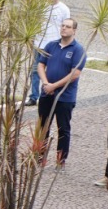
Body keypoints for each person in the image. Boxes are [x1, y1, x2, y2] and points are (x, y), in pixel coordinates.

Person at [36, 17, 85, 166]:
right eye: (63, 25)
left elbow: (75, 74)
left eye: (68, 26)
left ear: (74, 30)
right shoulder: (51, 45)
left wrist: (54, 86)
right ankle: (39, 156)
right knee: (43, 126)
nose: (64, 28)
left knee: (63, 129)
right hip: (47, 94)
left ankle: (60, 159)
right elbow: (41, 64)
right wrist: (46, 83)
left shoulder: (78, 50)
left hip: (65, 97)